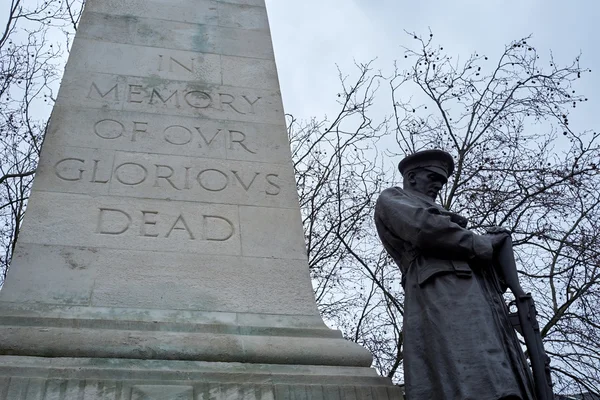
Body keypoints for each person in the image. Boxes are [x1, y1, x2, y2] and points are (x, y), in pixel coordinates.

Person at [374, 149, 535, 400]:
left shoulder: (448, 224)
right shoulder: (393, 198)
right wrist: (483, 243)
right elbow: (424, 228)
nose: (438, 185)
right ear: (412, 176)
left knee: (494, 371)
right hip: (443, 291)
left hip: (470, 294)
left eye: (442, 180)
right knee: (472, 375)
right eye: (433, 177)